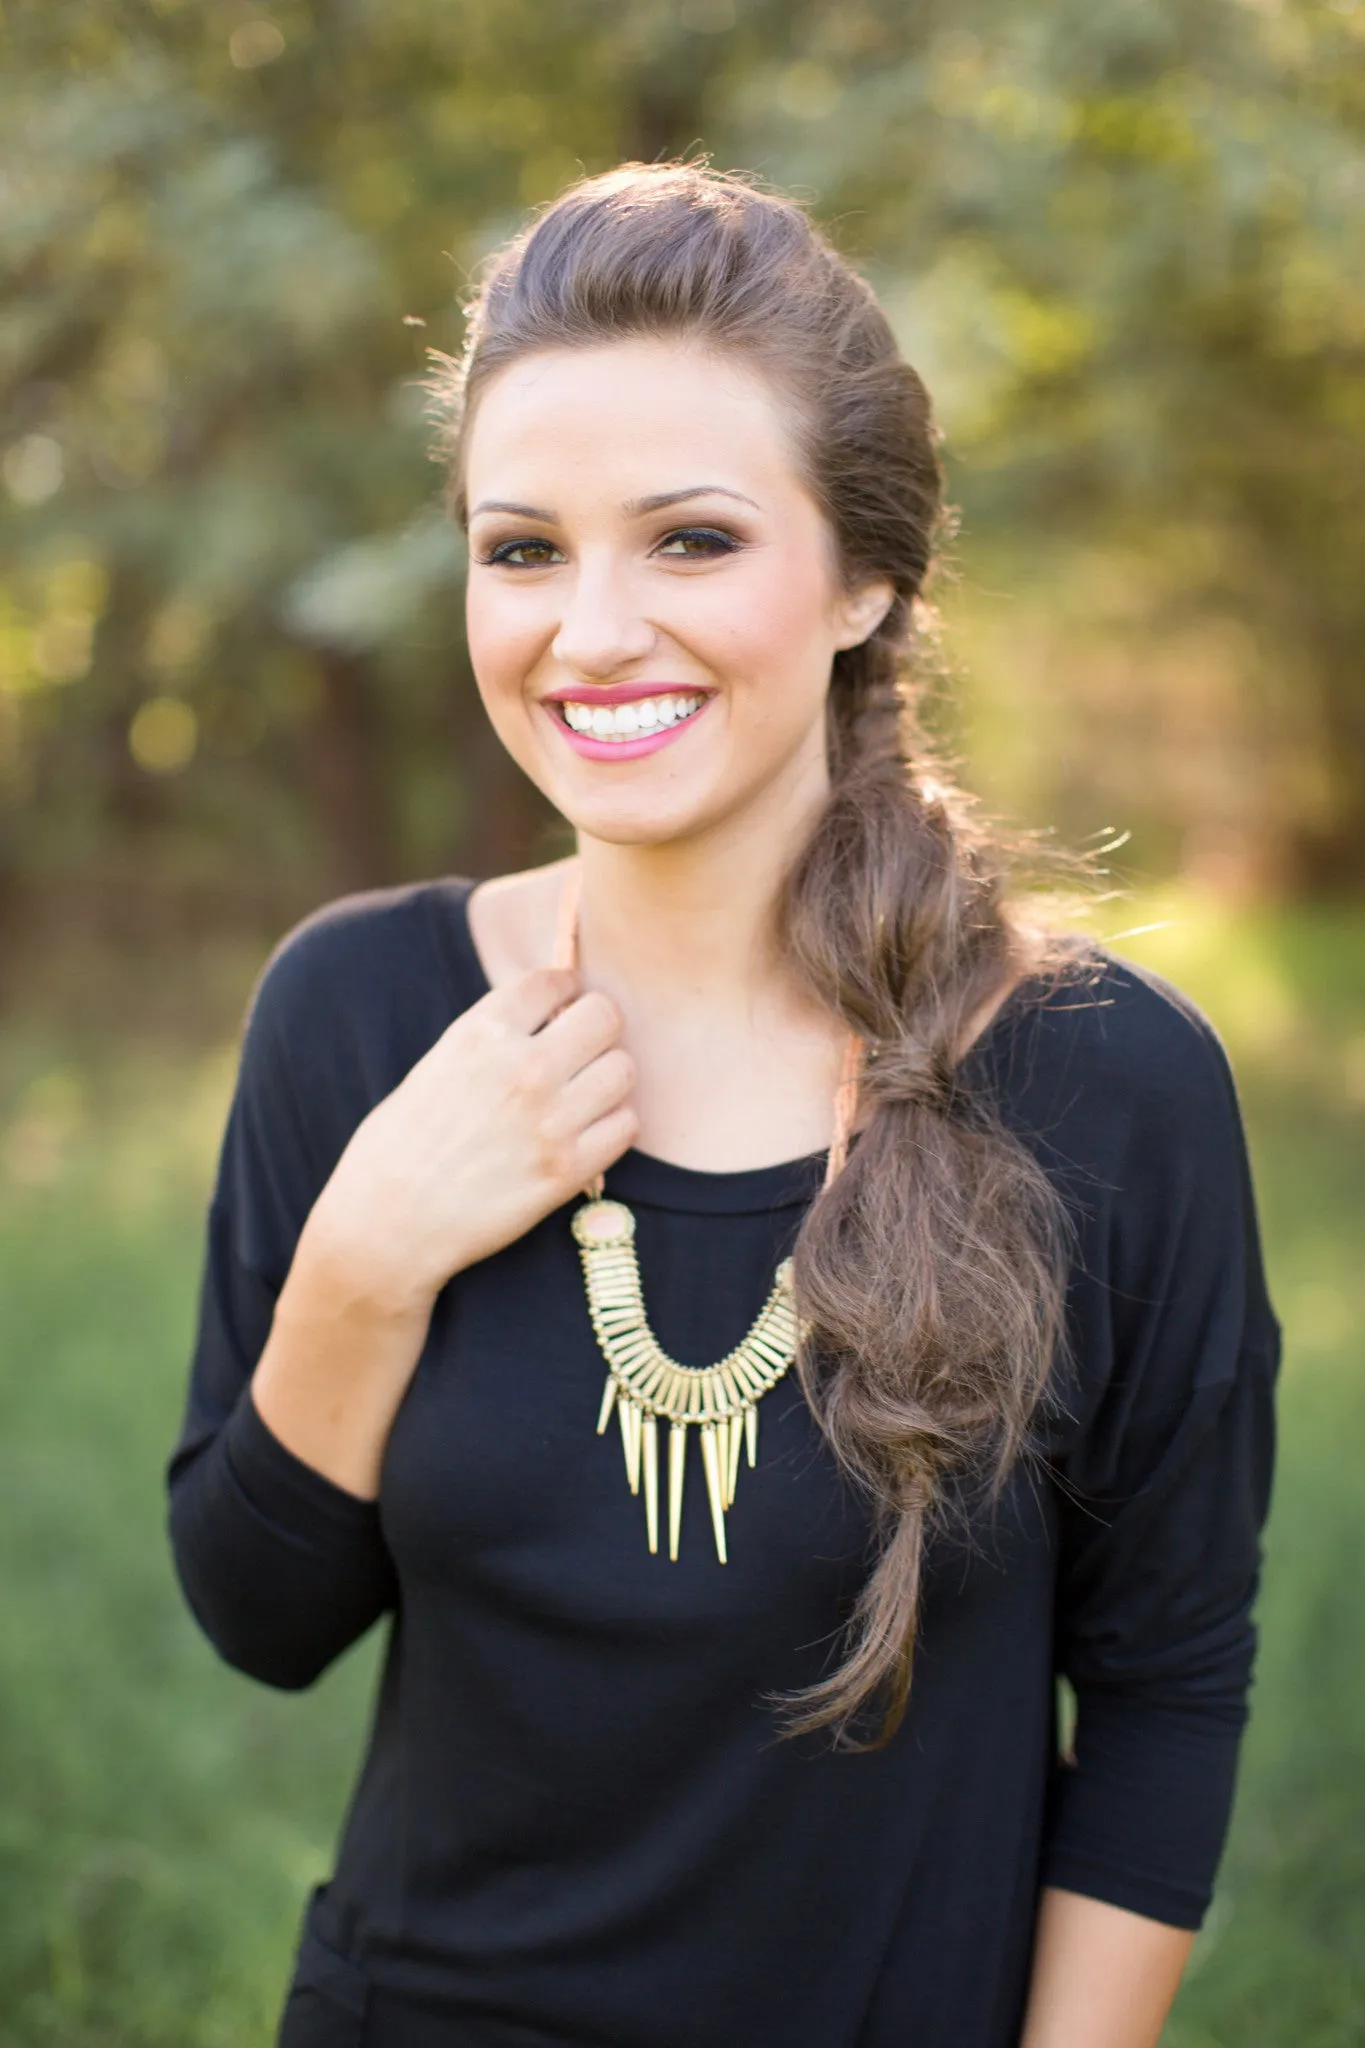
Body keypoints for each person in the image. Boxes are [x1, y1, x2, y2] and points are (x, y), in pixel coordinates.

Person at [167, 162, 1279, 2048]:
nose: (589, 630)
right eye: (522, 549)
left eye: (689, 540)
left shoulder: (1108, 1081)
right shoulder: (359, 1015)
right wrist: (367, 1263)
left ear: (864, 579)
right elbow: (261, 1624)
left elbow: (1166, 1687)